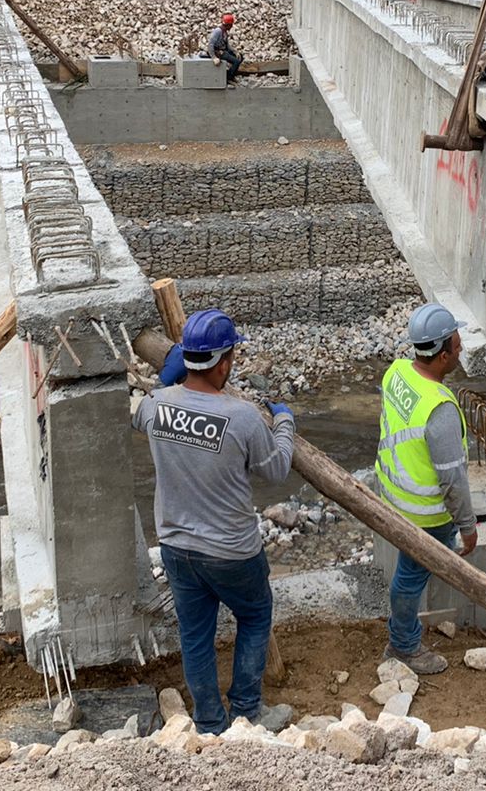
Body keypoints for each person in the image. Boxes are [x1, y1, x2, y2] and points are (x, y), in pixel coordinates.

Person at [131, 309, 294, 736]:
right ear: (223, 363)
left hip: (177, 549)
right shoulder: (241, 417)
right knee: (255, 616)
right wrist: (284, 424)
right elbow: (276, 470)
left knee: (196, 634)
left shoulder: (158, 406)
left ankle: (208, 722)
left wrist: (165, 383)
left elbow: (137, 413)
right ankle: (247, 713)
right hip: (232, 551)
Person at [376, 303, 476, 675]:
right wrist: (467, 527)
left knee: (410, 572)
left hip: (392, 493)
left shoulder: (398, 372)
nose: (462, 347)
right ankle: (403, 646)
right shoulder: (440, 409)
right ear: (442, 353)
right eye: (456, 342)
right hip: (424, 513)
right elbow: (452, 478)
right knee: (411, 575)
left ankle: (403, 639)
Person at [207, 12, 242, 84]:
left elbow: (227, 45)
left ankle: (231, 74)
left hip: (223, 50)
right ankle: (228, 78)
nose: (232, 26)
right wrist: (214, 57)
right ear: (228, 25)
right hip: (218, 52)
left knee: (240, 57)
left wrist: (235, 51)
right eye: (231, 25)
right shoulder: (218, 31)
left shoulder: (224, 32)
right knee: (236, 61)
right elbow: (210, 45)